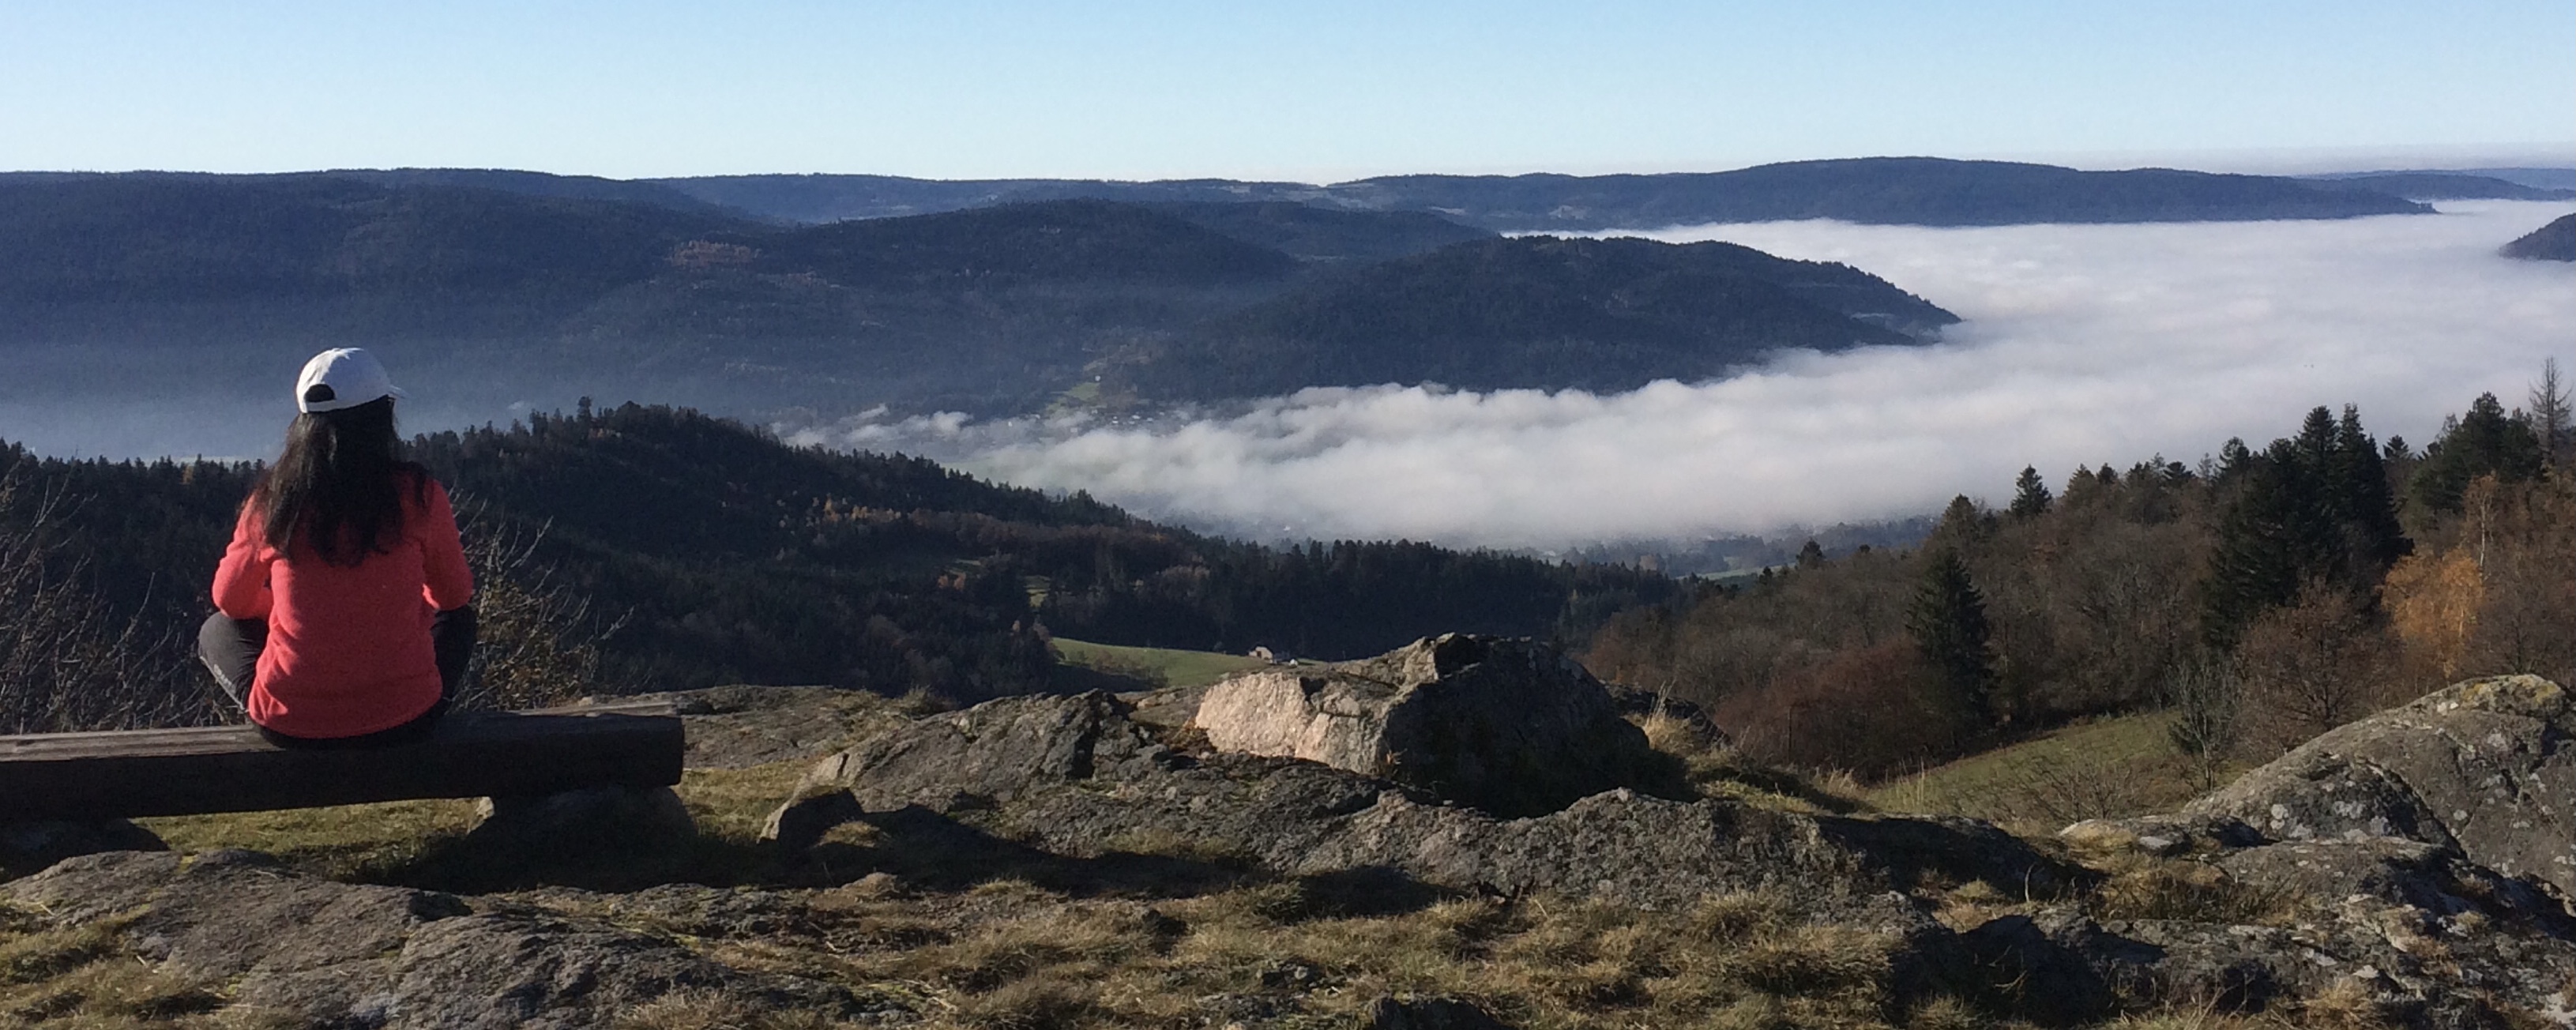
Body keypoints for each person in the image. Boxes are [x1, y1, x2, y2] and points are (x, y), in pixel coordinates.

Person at [198, 348, 476, 747]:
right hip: (409, 718)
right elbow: (453, 596)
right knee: (460, 620)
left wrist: (279, 610)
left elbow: (231, 600)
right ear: (383, 415)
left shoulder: (273, 502)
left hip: (290, 726)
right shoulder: (418, 495)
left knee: (217, 629)